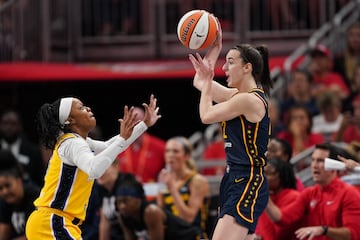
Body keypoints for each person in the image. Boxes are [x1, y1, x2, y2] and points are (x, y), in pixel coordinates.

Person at [25, 94, 161, 239]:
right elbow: (94, 169)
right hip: (51, 222)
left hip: (55, 222)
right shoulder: (72, 143)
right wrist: (122, 138)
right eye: (81, 108)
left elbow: (110, 146)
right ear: (69, 120)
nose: (88, 108)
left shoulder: (78, 141)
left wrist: (144, 125)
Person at [188, 19, 273, 240]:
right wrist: (214, 49)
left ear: (247, 68)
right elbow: (200, 81)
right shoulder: (237, 97)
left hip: (248, 180)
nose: (224, 68)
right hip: (233, 178)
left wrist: (208, 81)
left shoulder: (249, 100)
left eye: (230, 62)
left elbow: (205, 116)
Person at [265, 143, 360, 239]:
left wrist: (324, 230)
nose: (314, 165)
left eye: (320, 161)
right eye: (313, 160)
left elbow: (352, 234)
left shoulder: (349, 193)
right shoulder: (309, 193)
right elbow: (282, 218)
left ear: (333, 166)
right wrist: (262, 190)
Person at [116, 174, 200, 240]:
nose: (122, 206)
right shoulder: (123, 216)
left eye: (126, 201)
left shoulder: (151, 212)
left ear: (138, 200)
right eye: (119, 202)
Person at [157, 136, 210, 239]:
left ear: (187, 156)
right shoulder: (164, 178)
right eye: (167, 151)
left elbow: (188, 219)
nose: (170, 155)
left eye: (175, 151)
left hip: (193, 235)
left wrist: (172, 188)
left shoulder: (197, 180)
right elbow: (160, 213)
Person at [117, 106, 166, 183]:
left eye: (139, 121)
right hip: (125, 192)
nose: (135, 125)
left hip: (153, 193)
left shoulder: (160, 147)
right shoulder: (118, 146)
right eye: (132, 121)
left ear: (146, 122)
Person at [255, 158, 300, 240]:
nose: (263, 177)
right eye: (263, 173)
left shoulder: (295, 197)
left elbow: (278, 232)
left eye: (269, 173)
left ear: (282, 176)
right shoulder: (264, 197)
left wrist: (264, 193)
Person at [0, 149, 40, 240]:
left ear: (19, 181)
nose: (5, 191)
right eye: (0, 188)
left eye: (8, 185)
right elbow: (3, 234)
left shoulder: (36, 197)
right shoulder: (4, 201)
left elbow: (36, 235)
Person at [0, 109, 46, 187]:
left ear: (20, 126)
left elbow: (40, 181)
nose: (9, 127)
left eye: (13, 124)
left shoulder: (33, 152)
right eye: (5, 123)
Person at [96, 159, 134, 240]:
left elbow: (130, 227)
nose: (100, 173)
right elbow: (104, 222)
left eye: (104, 168)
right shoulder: (101, 188)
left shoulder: (127, 187)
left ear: (116, 167)